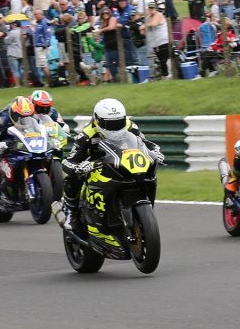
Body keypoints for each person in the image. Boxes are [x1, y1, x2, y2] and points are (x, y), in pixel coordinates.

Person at [58, 99, 164, 235]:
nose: (115, 128)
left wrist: (155, 152)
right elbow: (69, 161)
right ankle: (70, 212)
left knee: (147, 175)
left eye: (118, 123)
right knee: (72, 180)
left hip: (121, 162)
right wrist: (79, 167)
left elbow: (146, 143)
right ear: (97, 120)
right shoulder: (87, 134)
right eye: (110, 124)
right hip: (95, 165)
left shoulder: (130, 126)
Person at [0, 96, 35, 191]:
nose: (23, 120)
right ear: (13, 114)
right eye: (20, 117)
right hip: (2, 137)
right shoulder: (2, 120)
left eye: (28, 117)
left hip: (22, 137)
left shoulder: (34, 119)